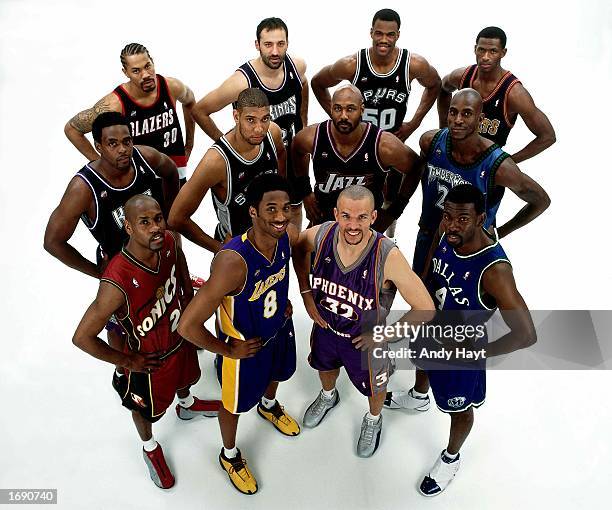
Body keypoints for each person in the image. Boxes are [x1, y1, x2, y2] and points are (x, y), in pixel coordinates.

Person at [385, 184, 537, 496]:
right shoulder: (446, 235)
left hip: (460, 352)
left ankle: (451, 456)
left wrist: (476, 352)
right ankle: (418, 397)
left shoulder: (495, 271)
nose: (453, 224)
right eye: (448, 216)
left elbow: (526, 335)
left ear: (481, 218)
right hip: (431, 329)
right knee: (421, 362)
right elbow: (430, 274)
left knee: (460, 408)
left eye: (463, 219)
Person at [72, 195, 220, 489]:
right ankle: (149, 447)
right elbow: (82, 337)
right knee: (143, 410)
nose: (155, 228)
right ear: (128, 227)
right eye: (144, 222)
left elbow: (182, 272)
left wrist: (191, 316)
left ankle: (187, 405)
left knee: (188, 378)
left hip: (180, 341)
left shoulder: (168, 241)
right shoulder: (116, 280)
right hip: (150, 361)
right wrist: (128, 362)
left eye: (158, 219)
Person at [177, 174, 299, 495]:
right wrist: (226, 350)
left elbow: (276, 277)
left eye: (285, 208)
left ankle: (268, 405)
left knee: (278, 374)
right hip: (244, 350)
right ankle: (229, 455)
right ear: (253, 212)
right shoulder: (233, 262)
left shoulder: (282, 238)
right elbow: (187, 325)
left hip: (276, 331)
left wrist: (282, 302)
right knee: (232, 404)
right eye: (271, 209)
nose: (281, 216)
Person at [292, 185, 434, 457]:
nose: (353, 225)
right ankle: (327, 396)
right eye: (346, 216)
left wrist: (384, 336)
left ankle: (373, 419)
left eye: (361, 217)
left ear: (373, 217)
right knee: (324, 366)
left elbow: (425, 307)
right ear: (336, 214)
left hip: (366, 340)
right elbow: (297, 247)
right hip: (327, 328)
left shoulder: (387, 254)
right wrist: (306, 293)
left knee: (375, 387)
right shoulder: (321, 234)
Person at [45, 112, 179, 385]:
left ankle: (178, 340)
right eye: (112, 143)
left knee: (170, 301)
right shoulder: (84, 188)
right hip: (123, 270)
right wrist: (98, 273)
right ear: (98, 146)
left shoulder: (146, 158)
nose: (122, 149)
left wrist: (169, 218)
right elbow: (52, 242)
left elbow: (171, 171)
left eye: (126, 141)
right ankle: (123, 369)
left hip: (159, 256)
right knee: (120, 322)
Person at [311, 8, 441, 237]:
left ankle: (385, 237)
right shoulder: (352, 64)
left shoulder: (413, 65)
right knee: (353, 195)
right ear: (371, 32)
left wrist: (414, 122)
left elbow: (435, 85)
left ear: (398, 35)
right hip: (360, 142)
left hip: (390, 143)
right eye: (379, 33)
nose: (383, 39)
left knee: (391, 197)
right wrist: (339, 117)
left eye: (390, 34)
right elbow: (317, 83)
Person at [413, 88, 550, 276]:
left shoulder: (499, 166)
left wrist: (500, 232)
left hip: (469, 250)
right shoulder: (431, 141)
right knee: (421, 301)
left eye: (467, 113)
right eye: (453, 112)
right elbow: (418, 174)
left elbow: (541, 201)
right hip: (429, 236)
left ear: (480, 119)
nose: (458, 120)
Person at [192, 17, 308, 227]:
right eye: (268, 44)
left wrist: (303, 123)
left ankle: (286, 256)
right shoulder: (241, 81)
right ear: (257, 45)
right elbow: (200, 110)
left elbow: (303, 84)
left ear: (287, 44)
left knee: (292, 209)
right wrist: (226, 146)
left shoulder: (296, 66)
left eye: (280, 44)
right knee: (254, 221)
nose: (274, 51)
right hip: (259, 159)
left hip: (288, 154)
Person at [169, 88, 286, 254]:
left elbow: (281, 154)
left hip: (272, 241)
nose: (259, 128)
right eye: (251, 120)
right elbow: (176, 218)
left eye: (265, 119)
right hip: (240, 252)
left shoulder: (272, 132)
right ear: (236, 117)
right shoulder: (216, 162)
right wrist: (221, 249)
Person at [291, 85, 421, 231]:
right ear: (331, 108)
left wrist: (393, 212)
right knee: (302, 248)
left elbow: (416, 167)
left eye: (350, 109)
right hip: (325, 221)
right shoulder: (312, 137)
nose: (343, 116)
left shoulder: (383, 145)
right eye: (338, 109)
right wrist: (305, 192)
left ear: (362, 110)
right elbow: (296, 150)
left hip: (366, 227)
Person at [64, 43, 196, 185]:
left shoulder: (171, 87)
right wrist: (102, 166)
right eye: (136, 71)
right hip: (141, 180)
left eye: (147, 66)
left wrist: (189, 145)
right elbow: (72, 129)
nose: (145, 75)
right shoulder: (115, 103)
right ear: (125, 72)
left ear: (152, 61)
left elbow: (190, 102)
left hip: (176, 173)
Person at [437, 27, 555, 164]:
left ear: (503, 53)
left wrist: (504, 162)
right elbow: (443, 89)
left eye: (493, 51)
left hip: (484, 167)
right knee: (426, 151)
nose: (485, 57)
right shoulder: (462, 77)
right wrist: (444, 129)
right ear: (475, 49)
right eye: (481, 50)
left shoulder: (514, 93)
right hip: (455, 157)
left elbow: (547, 136)